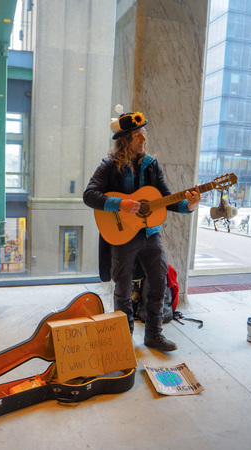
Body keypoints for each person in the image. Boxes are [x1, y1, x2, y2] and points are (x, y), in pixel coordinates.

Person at [83, 106, 200, 351]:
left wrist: (188, 204)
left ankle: (154, 335)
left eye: (144, 134)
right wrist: (121, 204)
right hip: (122, 236)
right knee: (123, 289)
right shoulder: (109, 166)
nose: (144, 139)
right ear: (125, 141)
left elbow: (166, 199)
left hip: (150, 234)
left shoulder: (151, 166)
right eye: (139, 136)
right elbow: (89, 195)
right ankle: (123, 339)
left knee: (159, 284)